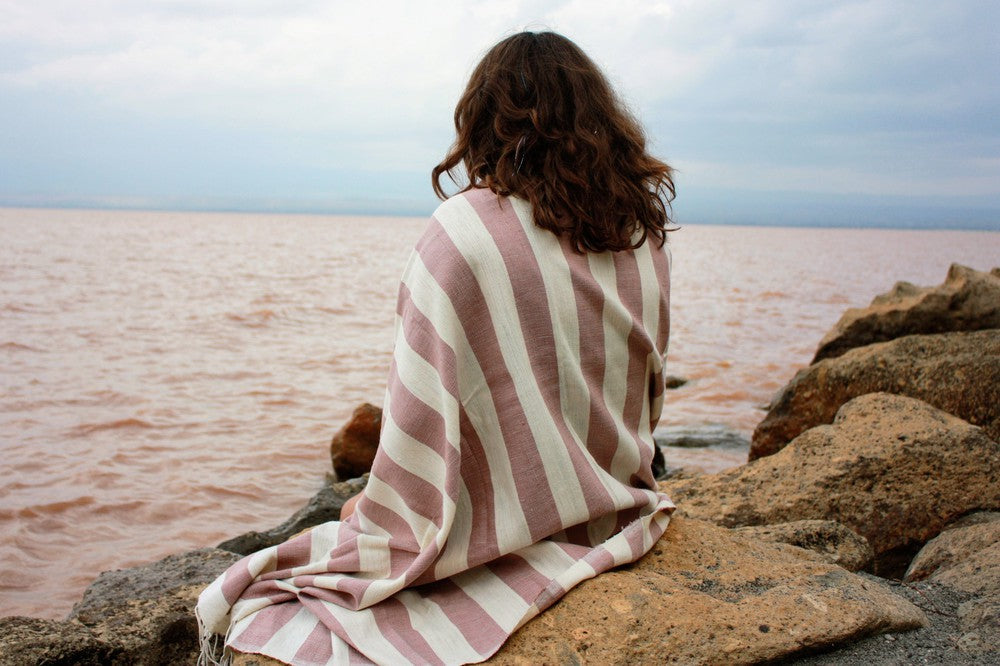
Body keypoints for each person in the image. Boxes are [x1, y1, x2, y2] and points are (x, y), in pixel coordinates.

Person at [197, 30, 676, 666]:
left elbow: (418, 411)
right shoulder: (641, 237)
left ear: (483, 120)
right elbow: (649, 393)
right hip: (618, 506)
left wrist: (396, 513)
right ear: (601, 117)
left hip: (499, 527)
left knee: (274, 600)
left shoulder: (465, 230)